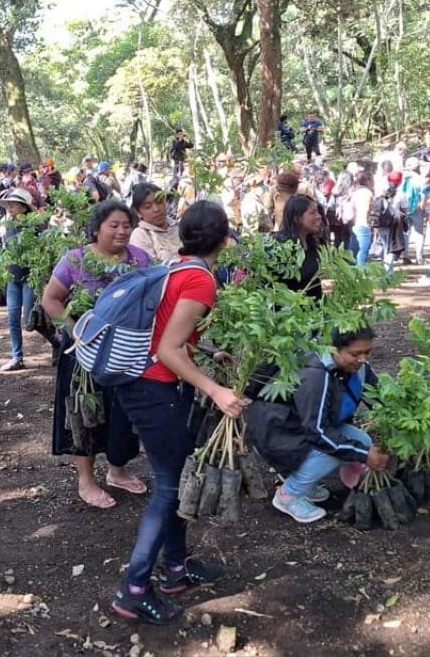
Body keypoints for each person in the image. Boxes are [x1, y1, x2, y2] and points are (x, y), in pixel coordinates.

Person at [109, 201, 239, 625]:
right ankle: (133, 590)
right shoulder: (200, 282)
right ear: (224, 239)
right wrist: (216, 390)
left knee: (178, 479)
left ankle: (177, 570)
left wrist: (207, 350)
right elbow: (167, 348)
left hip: (147, 383)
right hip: (153, 389)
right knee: (168, 488)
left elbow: (171, 331)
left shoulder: (177, 268)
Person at [41, 201, 150, 509]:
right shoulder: (75, 259)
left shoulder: (141, 259)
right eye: (113, 225)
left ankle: (118, 470)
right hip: (83, 351)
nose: (121, 230)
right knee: (84, 413)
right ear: (97, 228)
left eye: (126, 225)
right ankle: (86, 481)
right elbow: (51, 300)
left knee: (124, 411)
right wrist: (79, 331)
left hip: (126, 349)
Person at [247, 326, 388, 524]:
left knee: (362, 440)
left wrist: (396, 420)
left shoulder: (359, 368)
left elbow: (379, 398)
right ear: (333, 348)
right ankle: (289, 495)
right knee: (333, 452)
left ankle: (308, 480)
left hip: (300, 428)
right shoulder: (316, 375)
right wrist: (364, 455)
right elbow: (317, 434)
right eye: (355, 354)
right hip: (276, 435)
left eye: (367, 352)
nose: (363, 359)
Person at [0, 189, 41, 371]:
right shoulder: (6, 225)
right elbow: (2, 247)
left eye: (14, 204)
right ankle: (17, 357)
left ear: (24, 208)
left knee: (30, 319)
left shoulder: (34, 226)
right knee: (13, 318)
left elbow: (42, 250)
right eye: (9, 205)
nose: (10, 207)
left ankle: (56, 342)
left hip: (29, 277)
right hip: (12, 278)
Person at [272, 194, 325, 299]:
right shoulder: (279, 247)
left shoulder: (313, 244)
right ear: (297, 218)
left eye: (318, 212)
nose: (319, 216)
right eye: (312, 213)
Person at [129, 183, 181, 263]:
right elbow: (151, 269)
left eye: (159, 202)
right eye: (148, 207)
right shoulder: (140, 235)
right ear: (138, 212)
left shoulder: (179, 226)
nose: (156, 209)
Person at [371, 173, 407, 273]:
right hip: (394, 224)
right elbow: (404, 211)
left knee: (385, 245)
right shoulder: (401, 194)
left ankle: (388, 271)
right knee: (392, 249)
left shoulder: (381, 192)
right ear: (400, 182)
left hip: (380, 223)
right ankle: (387, 272)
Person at [347, 170, 374, 267]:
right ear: (368, 181)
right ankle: (360, 274)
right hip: (365, 225)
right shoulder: (368, 193)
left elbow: (352, 209)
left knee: (354, 251)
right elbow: (368, 209)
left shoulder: (355, 193)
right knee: (363, 252)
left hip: (356, 224)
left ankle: (352, 274)